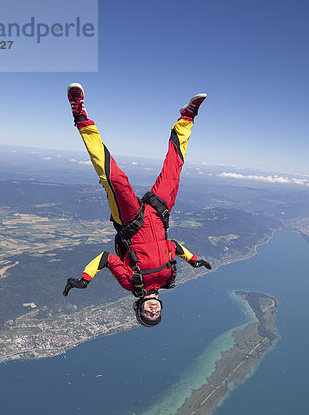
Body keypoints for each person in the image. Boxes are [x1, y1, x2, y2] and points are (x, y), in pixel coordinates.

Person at [63, 83, 212, 327]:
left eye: (147, 314)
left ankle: (80, 115)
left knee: (113, 178)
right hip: (159, 216)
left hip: (131, 222)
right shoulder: (169, 279)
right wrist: (194, 259)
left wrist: (85, 279)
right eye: (156, 314)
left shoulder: (131, 283)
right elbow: (172, 246)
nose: (153, 311)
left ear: (139, 309)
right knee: (174, 169)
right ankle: (187, 118)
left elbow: (105, 259)